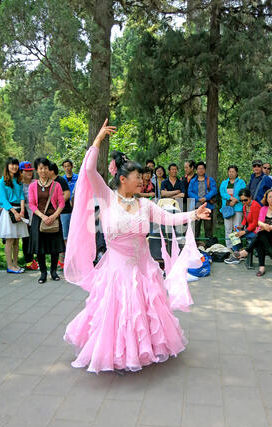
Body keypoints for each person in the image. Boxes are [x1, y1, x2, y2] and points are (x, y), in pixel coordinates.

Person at [63, 119, 211, 375]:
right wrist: (98, 140)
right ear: (122, 179)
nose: (143, 182)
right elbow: (88, 171)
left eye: (143, 178)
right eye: (138, 178)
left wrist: (193, 215)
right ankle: (117, 353)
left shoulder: (145, 205)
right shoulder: (107, 198)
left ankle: (144, 349)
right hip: (117, 269)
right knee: (117, 312)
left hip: (144, 267)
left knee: (145, 311)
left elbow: (168, 218)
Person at [28, 157, 65, 284]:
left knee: (55, 247)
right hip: (39, 219)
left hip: (54, 218)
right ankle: (43, 273)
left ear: (49, 170)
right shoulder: (33, 186)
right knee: (40, 248)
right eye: (40, 168)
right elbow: (32, 204)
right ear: (37, 170)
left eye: (45, 168)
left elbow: (61, 203)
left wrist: (54, 216)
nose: (43, 171)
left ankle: (53, 271)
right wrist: (43, 217)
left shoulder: (57, 185)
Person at [237, 189, 272, 276]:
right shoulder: (264, 209)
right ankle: (261, 268)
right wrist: (264, 226)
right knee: (260, 236)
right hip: (267, 239)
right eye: (270, 197)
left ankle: (245, 252)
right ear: (266, 199)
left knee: (261, 234)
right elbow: (259, 222)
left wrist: (266, 227)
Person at [0, 157, 29, 273]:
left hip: (19, 210)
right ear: (7, 166)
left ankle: (15, 264)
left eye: (16, 165)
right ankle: (9, 266)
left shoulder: (19, 180)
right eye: (12, 165)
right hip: (9, 211)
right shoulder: (2, 181)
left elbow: (21, 196)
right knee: (10, 240)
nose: (14, 167)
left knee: (17, 240)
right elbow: (3, 200)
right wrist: (15, 212)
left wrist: (21, 211)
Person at [224, 188, 261, 264]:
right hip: (250, 229)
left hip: (258, 230)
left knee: (239, 235)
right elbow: (245, 218)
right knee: (235, 235)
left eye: (245, 200)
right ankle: (237, 254)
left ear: (250, 197)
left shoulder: (255, 206)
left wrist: (244, 231)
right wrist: (240, 226)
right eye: (241, 201)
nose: (243, 202)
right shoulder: (245, 206)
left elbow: (255, 223)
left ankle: (238, 255)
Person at [49, 161, 72, 270]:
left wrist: (56, 204)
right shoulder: (49, 182)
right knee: (59, 237)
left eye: (46, 169)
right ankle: (61, 261)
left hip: (64, 212)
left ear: (52, 171)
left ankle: (69, 262)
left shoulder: (60, 180)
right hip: (55, 213)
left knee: (65, 237)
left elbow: (67, 194)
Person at [188, 161, 217, 240]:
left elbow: (214, 190)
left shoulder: (210, 180)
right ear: (196, 170)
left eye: (202, 168)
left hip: (208, 207)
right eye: (199, 168)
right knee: (196, 227)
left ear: (205, 170)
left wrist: (206, 198)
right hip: (196, 207)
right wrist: (198, 198)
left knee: (208, 227)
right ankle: (195, 245)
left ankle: (209, 246)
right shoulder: (193, 181)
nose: (201, 170)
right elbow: (189, 192)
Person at [220, 166, 246, 249]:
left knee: (236, 228)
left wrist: (236, 200)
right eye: (230, 171)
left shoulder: (241, 182)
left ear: (236, 173)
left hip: (238, 208)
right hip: (227, 208)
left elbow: (243, 192)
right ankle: (229, 247)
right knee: (228, 228)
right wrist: (231, 198)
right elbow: (222, 192)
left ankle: (236, 247)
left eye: (233, 171)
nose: (231, 173)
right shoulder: (224, 183)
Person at [19, 161, 39, 271]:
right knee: (26, 238)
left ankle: (38, 259)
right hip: (23, 212)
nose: (29, 172)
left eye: (30, 170)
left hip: (35, 212)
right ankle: (29, 261)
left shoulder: (35, 183)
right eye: (26, 171)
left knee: (36, 236)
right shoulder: (18, 185)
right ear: (21, 172)